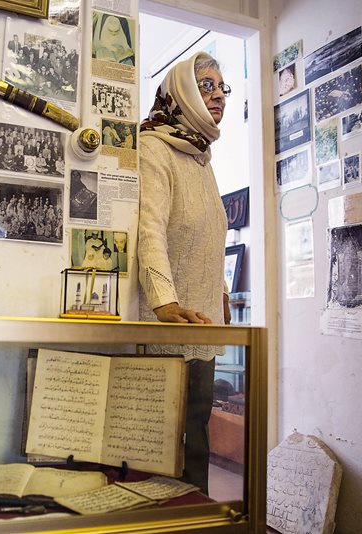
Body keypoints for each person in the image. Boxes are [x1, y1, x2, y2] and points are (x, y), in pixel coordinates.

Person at [137, 51, 232, 495]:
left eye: (221, 87)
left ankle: (196, 519)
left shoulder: (202, 159)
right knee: (160, 447)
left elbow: (211, 237)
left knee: (198, 440)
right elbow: (149, 228)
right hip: (169, 326)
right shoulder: (155, 147)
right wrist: (164, 302)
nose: (218, 96)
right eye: (207, 86)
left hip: (206, 327)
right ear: (184, 93)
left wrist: (225, 298)